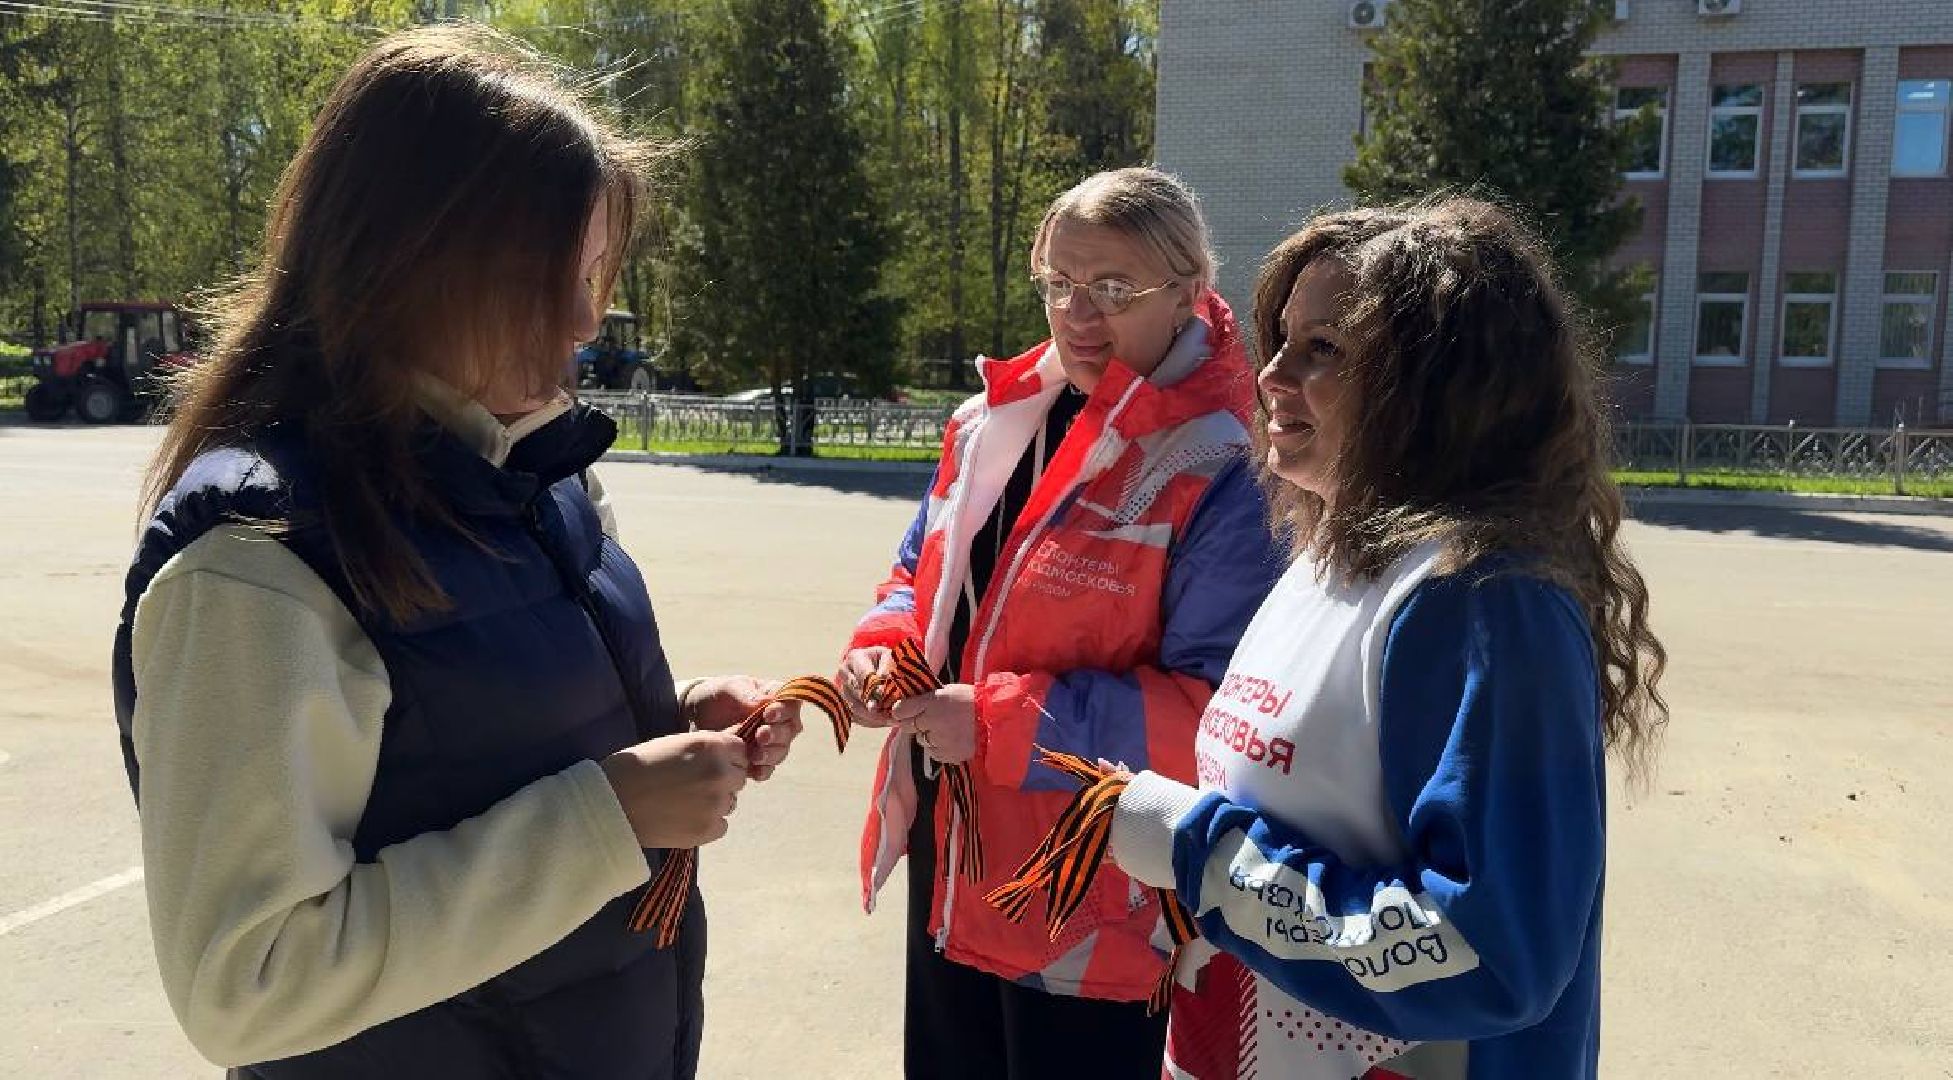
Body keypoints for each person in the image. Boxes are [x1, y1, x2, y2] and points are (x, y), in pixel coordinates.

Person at [110, 26, 802, 1078]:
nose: (585, 319)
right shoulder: (256, 566)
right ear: (411, 261)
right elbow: (246, 984)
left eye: (598, 271)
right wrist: (611, 814)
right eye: (554, 275)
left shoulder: (534, 476)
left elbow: (476, 733)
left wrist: (669, 717)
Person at [1104, 198, 1670, 1078]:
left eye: (1324, 350)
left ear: (1437, 386)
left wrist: (1203, 855)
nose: (1271, 376)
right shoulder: (1327, 549)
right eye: (1282, 340)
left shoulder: (1480, 600)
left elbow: (1486, 952)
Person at [835, 167, 1285, 1079]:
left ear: (1189, 290)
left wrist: (997, 723)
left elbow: (1216, 723)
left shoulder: (1223, 468)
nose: (1079, 314)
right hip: (957, 853)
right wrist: (881, 649)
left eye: (1114, 288)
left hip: (1094, 891)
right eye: (1058, 284)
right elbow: (915, 577)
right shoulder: (989, 423)